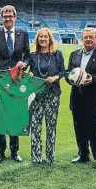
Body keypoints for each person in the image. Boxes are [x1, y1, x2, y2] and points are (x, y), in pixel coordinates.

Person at [0, 5, 30, 163]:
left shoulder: (23, 34)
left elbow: (28, 57)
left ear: (15, 17)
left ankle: (15, 151)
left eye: (10, 16)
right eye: (5, 16)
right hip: (0, 81)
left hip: (16, 80)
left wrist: (24, 64)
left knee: (14, 115)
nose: (8, 19)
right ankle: (0, 151)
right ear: (1, 18)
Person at [66, 27, 96, 169]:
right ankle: (83, 154)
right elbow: (68, 73)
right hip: (77, 98)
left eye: (91, 37)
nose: (88, 39)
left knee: (93, 130)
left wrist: (92, 79)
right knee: (78, 128)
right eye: (85, 37)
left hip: (93, 100)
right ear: (82, 39)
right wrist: (71, 79)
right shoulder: (74, 54)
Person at [25, 27, 65, 165]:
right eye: (40, 37)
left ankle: (50, 157)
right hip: (36, 95)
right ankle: (36, 158)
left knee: (51, 126)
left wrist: (55, 77)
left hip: (52, 94)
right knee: (35, 126)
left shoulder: (57, 54)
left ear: (50, 39)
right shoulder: (33, 55)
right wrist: (29, 74)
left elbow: (62, 72)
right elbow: (27, 69)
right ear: (37, 39)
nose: (43, 39)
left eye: (45, 37)